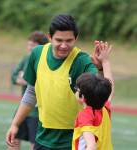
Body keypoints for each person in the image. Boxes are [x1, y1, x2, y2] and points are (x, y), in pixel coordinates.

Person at [6, 14, 105, 150]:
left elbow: (100, 88)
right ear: (49, 37)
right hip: (42, 137)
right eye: (59, 40)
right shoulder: (37, 54)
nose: (64, 46)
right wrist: (15, 124)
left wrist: (101, 68)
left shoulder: (82, 60)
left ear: (76, 38)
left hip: (72, 139)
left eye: (69, 40)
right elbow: (31, 92)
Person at [9, 31, 48, 150]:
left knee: (35, 144)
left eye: (33, 45)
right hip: (22, 107)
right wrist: (24, 79)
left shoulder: (46, 60)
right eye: (29, 44)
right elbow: (14, 77)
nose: (30, 48)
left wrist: (25, 78)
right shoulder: (26, 59)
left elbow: (40, 81)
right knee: (12, 139)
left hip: (37, 112)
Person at [72, 42, 114, 150]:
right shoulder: (104, 108)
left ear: (82, 97)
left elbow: (91, 146)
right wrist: (105, 62)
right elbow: (110, 87)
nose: (75, 91)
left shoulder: (85, 115)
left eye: (77, 89)